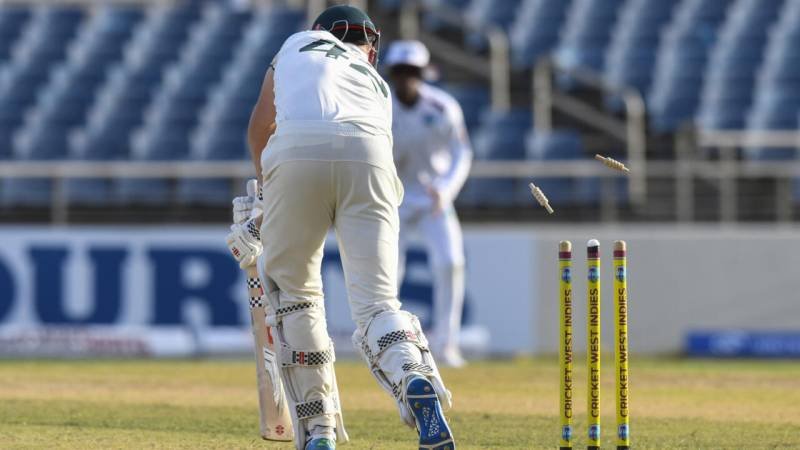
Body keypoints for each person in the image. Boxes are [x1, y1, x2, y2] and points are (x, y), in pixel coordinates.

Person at [225, 6, 455, 450]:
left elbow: (260, 126)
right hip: (370, 158)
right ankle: (413, 376)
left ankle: (319, 430)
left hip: (296, 152)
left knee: (296, 298)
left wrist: (267, 193)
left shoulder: (294, 46)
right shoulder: (377, 82)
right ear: (367, 45)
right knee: (377, 305)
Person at [384, 41, 473, 368]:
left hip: (434, 198)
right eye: (401, 72)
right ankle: (386, 343)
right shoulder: (380, 106)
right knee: (389, 272)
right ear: (392, 74)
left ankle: (446, 344)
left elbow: (462, 152)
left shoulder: (442, 106)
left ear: (423, 73)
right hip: (393, 198)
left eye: (413, 72)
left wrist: (447, 189)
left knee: (451, 262)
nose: (407, 78)